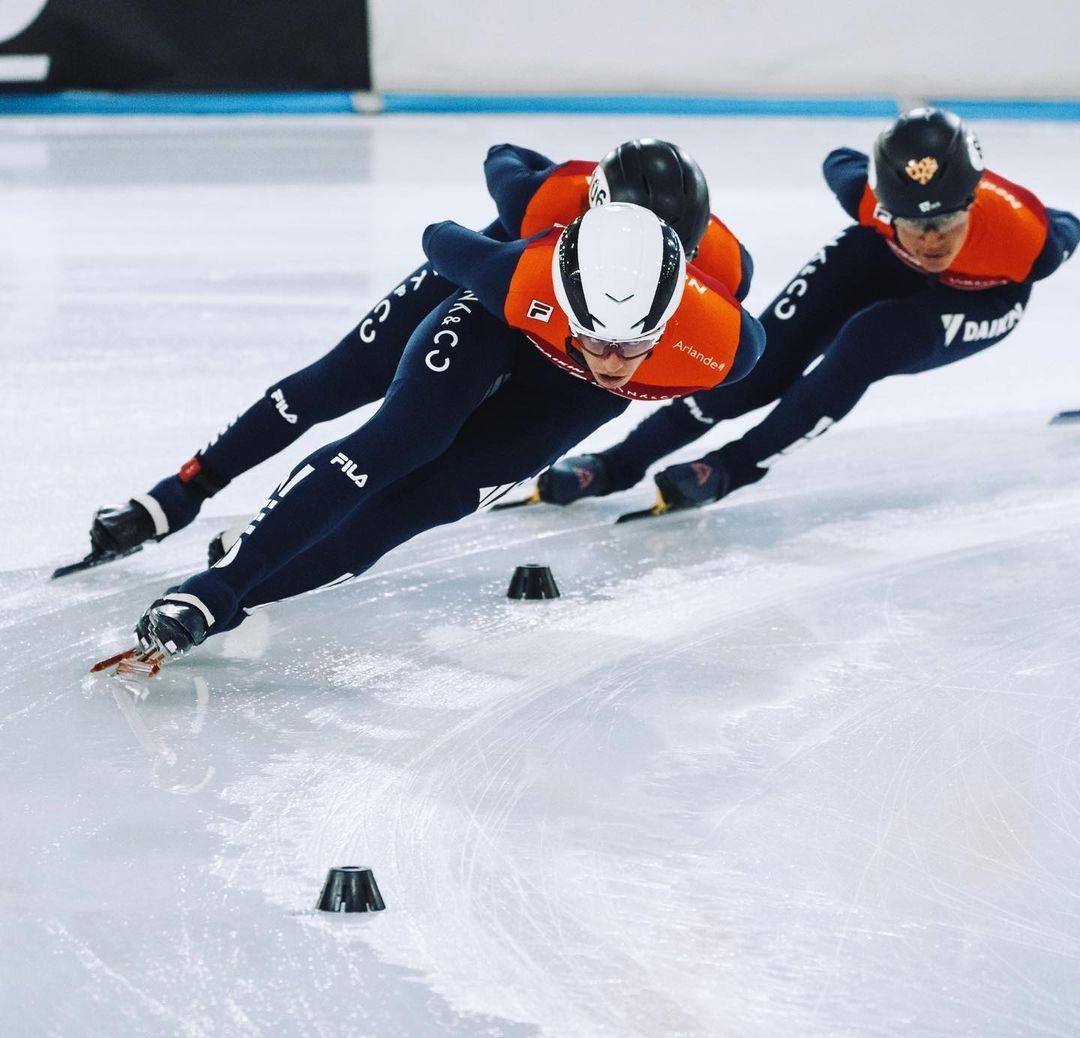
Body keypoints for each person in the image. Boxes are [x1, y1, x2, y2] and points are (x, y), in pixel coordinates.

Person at [126, 201, 766, 660]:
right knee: (403, 441)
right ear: (570, 300)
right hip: (495, 326)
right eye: (597, 337)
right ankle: (210, 592)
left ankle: (243, 587)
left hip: (562, 396)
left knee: (434, 500)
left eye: (636, 346)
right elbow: (440, 237)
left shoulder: (725, 346)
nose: (611, 362)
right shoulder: (519, 274)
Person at [79, 138, 752, 571]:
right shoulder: (544, 202)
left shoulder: (724, 271)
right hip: (503, 280)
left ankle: (280, 543)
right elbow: (501, 158)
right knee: (337, 383)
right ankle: (178, 494)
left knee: (435, 456)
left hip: (571, 333)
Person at [527, 108, 1080, 514]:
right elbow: (837, 161)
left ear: (973, 202)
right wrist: (890, 218)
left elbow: (1067, 223)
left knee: (871, 339)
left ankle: (735, 466)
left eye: (945, 224)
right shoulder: (865, 197)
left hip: (982, 294)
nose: (930, 241)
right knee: (756, 366)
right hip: (879, 257)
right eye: (912, 222)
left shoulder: (1031, 241)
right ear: (884, 204)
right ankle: (618, 463)